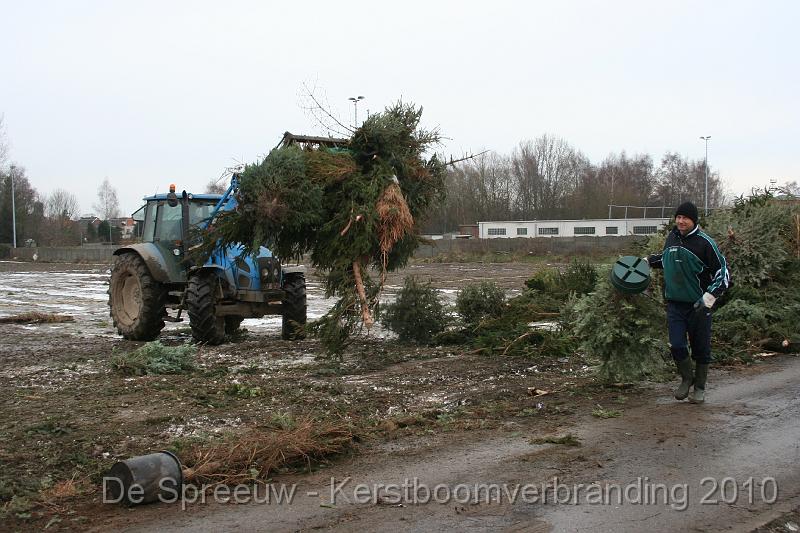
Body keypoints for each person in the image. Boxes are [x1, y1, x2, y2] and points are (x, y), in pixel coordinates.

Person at [646, 201, 729, 404]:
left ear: (694, 220)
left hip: (698, 306)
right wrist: (647, 261)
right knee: (676, 344)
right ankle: (686, 378)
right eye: (679, 217)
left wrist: (709, 298)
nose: (681, 221)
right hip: (675, 304)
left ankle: (699, 387)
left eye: (685, 218)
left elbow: (723, 273)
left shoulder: (704, 243)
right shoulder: (672, 237)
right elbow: (666, 259)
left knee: (701, 348)